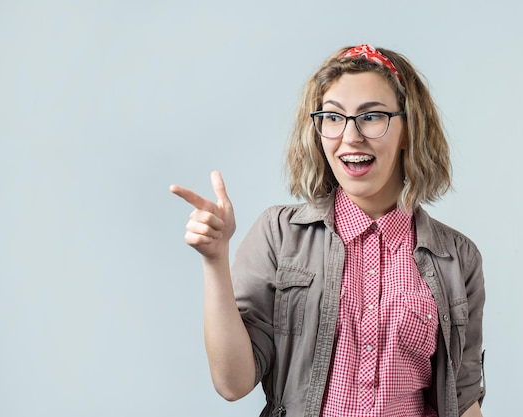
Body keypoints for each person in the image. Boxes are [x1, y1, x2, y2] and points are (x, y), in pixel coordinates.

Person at [170, 44, 486, 417]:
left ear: (410, 128)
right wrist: (215, 260)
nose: (350, 137)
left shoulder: (457, 258)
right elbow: (232, 383)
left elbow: (463, 400)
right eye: (333, 118)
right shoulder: (278, 235)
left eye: (371, 117)